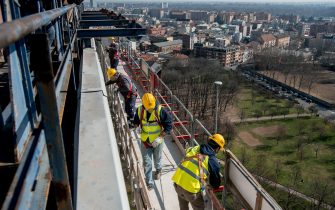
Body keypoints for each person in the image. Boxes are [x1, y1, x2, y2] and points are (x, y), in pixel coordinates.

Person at [172, 134, 225, 210]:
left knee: (183, 207)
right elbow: (215, 183)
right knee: (200, 207)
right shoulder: (212, 160)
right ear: (217, 148)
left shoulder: (195, 148)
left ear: (209, 141)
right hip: (190, 190)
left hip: (178, 183)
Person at [133, 93, 172, 190]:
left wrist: (159, 138)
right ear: (143, 105)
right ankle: (149, 182)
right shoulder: (139, 110)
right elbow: (136, 122)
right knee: (147, 162)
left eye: (152, 107)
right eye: (148, 108)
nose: (150, 109)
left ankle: (158, 170)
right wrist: (137, 127)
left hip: (157, 140)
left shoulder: (160, 111)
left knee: (157, 158)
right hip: (145, 140)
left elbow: (169, 126)